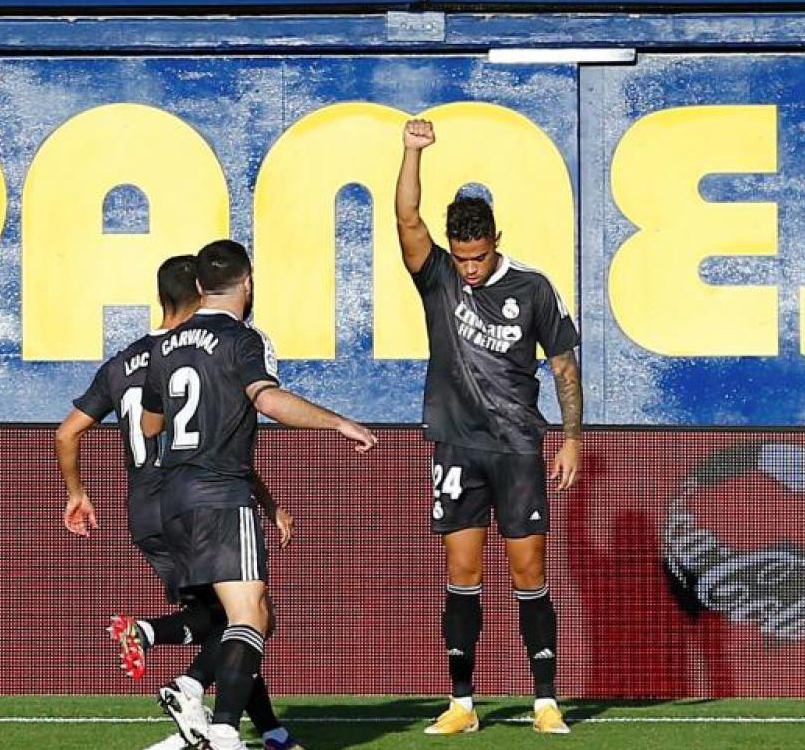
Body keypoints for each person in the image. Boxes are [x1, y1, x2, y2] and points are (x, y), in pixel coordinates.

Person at [57, 254, 304, 750]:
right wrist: (266, 499)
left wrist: (77, 494)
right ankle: (194, 696)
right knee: (246, 615)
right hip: (197, 496)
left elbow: (68, 433)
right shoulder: (202, 350)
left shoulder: (124, 360)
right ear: (200, 290)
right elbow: (217, 437)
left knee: (235, 616)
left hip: (147, 511)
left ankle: (262, 728)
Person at [140, 239, 378, 750]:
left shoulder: (163, 346)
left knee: (237, 617)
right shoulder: (245, 340)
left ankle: (201, 710)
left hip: (172, 499)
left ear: (200, 288)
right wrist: (337, 422)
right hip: (222, 494)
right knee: (252, 615)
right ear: (247, 284)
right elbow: (266, 399)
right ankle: (219, 722)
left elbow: (150, 422)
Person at [394, 118, 583, 735]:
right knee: (462, 571)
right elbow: (407, 221)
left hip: (517, 447)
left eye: (478, 257)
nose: (469, 268)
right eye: (462, 257)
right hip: (454, 444)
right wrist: (410, 154)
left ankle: (545, 700)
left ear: (496, 242)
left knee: (529, 571)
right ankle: (462, 704)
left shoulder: (532, 289)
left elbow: (563, 364)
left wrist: (573, 437)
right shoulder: (440, 277)